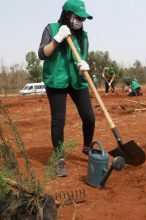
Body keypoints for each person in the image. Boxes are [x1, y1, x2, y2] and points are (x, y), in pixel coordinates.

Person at [38, 0, 94, 177]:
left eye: (83, 19)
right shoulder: (52, 28)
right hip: (56, 80)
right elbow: (41, 54)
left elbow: (82, 56)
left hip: (77, 80)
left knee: (89, 117)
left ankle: (87, 147)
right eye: (78, 18)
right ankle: (60, 159)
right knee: (58, 121)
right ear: (68, 15)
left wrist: (84, 65)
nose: (81, 22)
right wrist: (56, 40)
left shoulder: (83, 37)